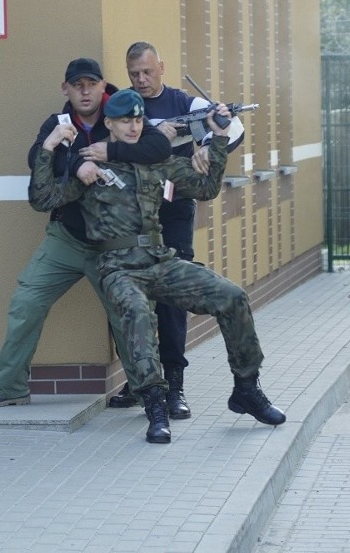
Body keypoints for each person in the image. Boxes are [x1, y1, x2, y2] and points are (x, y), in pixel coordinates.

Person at [29, 89, 286, 443]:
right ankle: (155, 407)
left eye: (137, 120)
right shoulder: (91, 163)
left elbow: (207, 187)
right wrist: (49, 148)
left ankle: (246, 389)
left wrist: (219, 139)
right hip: (116, 267)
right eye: (125, 121)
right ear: (110, 124)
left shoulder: (156, 162)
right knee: (137, 313)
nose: (133, 127)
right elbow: (42, 198)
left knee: (231, 296)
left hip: (159, 261)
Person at [0, 58, 171, 408]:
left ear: (102, 86)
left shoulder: (126, 111)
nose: (84, 90)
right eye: (76, 84)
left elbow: (158, 148)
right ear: (65, 89)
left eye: (90, 84)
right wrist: (76, 162)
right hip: (65, 238)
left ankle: (148, 393)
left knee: (128, 316)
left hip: (113, 246)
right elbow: (37, 157)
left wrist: (108, 150)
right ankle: (9, 388)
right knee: (26, 303)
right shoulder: (60, 123)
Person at [99, 41, 246, 419]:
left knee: (171, 299)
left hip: (175, 209)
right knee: (128, 299)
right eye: (134, 74)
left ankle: (175, 387)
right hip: (129, 215)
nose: (141, 80)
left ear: (161, 67)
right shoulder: (124, 107)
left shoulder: (185, 103)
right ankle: (139, 382)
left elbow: (235, 126)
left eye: (147, 72)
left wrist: (207, 145)